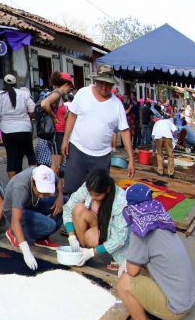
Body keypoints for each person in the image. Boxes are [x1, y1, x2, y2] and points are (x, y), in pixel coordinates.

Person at [116, 184, 195, 320]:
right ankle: (160, 315)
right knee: (144, 270)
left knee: (124, 282)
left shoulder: (141, 229)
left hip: (175, 307)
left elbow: (132, 271)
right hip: (186, 299)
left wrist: (126, 262)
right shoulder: (161, 220)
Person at [61, 64, 134, 196]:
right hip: (78, 150)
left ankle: (91, 216)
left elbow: (124, 131)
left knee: (98, 193)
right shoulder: (83, 93)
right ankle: (68, 215)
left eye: (108, 84)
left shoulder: (117, 105)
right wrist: (65, 140)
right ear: (95, 81)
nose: (104, 87)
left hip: (102, 156)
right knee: (71, 189)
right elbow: (72, 116)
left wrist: (131, 159)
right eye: (101, 83)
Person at [63, 168, 128, 268]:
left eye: (97, 195)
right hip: (97, 223)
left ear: (108, 189)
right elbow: (68, 208)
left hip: (111, 231)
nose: (93, 197)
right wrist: (71, 235)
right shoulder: (88, 187)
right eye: (90, 194)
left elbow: (119, 239)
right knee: (78, 209)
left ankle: (90, 252)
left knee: (91, 237)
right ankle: (81, 251)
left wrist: (91, 253)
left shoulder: (121, 201)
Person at [3, 165, 63, 269]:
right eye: (40, 192)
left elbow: (58, 182)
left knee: (66, 202)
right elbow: (15, 220)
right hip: (13, 212)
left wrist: (60, 197)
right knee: (49, 225)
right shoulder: (20, 187)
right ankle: (13, 233)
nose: (41, 195)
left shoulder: (46, 173)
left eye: (45, 192)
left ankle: (41, 239)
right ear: (32, 182)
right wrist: (26, 251)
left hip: (31, 203)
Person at [0, 73, 37, 180]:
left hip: (8, 131)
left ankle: (13, 187)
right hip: (25, 129)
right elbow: (32, 109)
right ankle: (35, 182)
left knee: (12, 158)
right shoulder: (24, 94)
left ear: (4, 83)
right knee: (30, 155)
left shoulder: (0, 95)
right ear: (16, 83)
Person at [39, 71, 74, 179]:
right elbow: (44, 104)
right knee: (55, 167)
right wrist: (54, 117)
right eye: (70, 87)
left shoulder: (59, 95)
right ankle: (53, 191)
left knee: (57, 166)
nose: (70, 90)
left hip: (59, 134)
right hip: (56, 134)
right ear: (66, 84)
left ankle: (56, 191)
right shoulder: (57, 94)